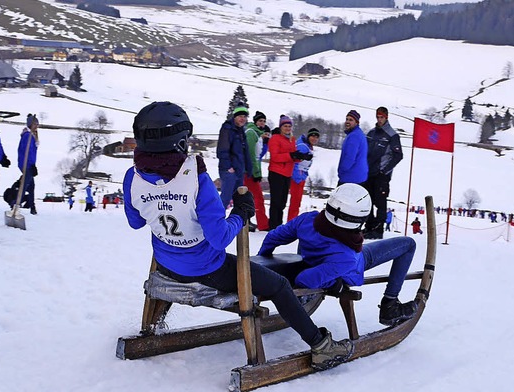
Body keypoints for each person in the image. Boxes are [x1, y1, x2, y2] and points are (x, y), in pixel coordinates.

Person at [122, 101, 352, 371]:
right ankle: (321, 347)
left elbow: (136, 221)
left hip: (167, 265)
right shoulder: (196, 179)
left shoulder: (131, 177)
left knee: (211, 262)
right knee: (278, 285)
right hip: (208, 268)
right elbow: (219, 238)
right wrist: (240, 215)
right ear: (179, 141)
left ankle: (153, 328)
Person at [258, 183, 419, 328]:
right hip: (352, 264)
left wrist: (261, 264)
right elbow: (305, 280)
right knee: (408, 245)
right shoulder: (347, 257)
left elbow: (273, 237)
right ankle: (390, 304)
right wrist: (333, 282)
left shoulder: (308, 220)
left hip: (321, 259)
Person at [363, 107, 403, 240]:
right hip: (369, 173)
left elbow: (398, 156)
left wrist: (384, 170)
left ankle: (378, 229)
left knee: (380, 202)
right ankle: (369, 226)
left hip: (382, 175)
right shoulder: (371, 133)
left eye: (382, 117)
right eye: (378, 117)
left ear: (386, 117)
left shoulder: (392, 135)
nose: (379, 120)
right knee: (367, 201)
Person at [268, 115, 305, 230]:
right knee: (276, 201)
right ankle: (274, 225)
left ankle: (279, 224)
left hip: (287, 173)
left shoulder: (291, 139)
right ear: (281, 127)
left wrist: (300, 156)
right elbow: (275, 157)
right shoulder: (275, 138)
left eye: (289, 126)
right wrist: (291, 155)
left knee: (283, 202)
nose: (288, 128)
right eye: (285, 126)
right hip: (276, 173)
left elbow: (293, 155)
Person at [217, 104, 252, 209]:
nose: (243, 119)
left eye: (245, 117)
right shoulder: (227, 129)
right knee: (225, 199)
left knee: (239, 199)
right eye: (240, 116)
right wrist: (228, 167)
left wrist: (249, 168)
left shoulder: (241, 132)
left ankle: (235, 223)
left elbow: (245, 152)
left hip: (239, 170)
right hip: (229, 170)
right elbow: (222, 149)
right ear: (235, 117)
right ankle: (216, 222)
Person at [244, 110, 271, 231]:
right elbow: (250, 155)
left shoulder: (257, 134)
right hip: (248, 171)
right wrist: (255, 172)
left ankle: (248, 221)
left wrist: (265, 143)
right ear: (255, 122)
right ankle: (263, 224)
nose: (262, 123)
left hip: (252, 170)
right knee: (257, 197)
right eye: (260, 121)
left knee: (249, 197)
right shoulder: (251, 133)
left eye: (264, 121)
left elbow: (259, 156)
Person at [287, 128, 318, 221]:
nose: (314, 138)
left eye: (316, 137)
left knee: (297, 202)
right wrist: (298, 177)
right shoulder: (303, 146)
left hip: (301, 176)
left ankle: (292, 221)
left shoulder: (307, 146)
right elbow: (295, 162)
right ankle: (291, 222)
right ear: (308, 136)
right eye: (312, 136)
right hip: (297, 177)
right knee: (295, 202)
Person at [337, 110, 368, 185]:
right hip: (358, 177)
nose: (347, 121)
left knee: (340, 197)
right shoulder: (358, 134)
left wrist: (341, 171)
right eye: (347, 119)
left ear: (356, 122)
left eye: (351, 120)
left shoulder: (354, 136)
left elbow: (350, 158)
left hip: (350, 178)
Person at [17, 114, 39, 215]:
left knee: (31, 185)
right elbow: (27, 152)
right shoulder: (27, 136)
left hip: (29, 164)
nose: (36, 126)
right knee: (25, 185)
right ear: (30, 124)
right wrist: (31, 165)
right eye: (34, 124)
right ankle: (15, 204)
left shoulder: (32, 135)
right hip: (26, 164)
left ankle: (32, 206)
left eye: (37, 124)